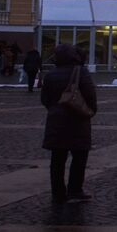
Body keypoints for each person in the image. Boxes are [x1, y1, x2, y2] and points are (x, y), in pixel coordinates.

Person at [40, 44, 96, 204]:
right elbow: (90, 96)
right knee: (79, 157)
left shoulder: (50, 75)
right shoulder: (81, 72)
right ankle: (75, 189)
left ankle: (58, 192)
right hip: (78, 120)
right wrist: (89, 112)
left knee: (57, 159)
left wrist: (55, 110)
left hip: (56, 122)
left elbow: (45, 99)